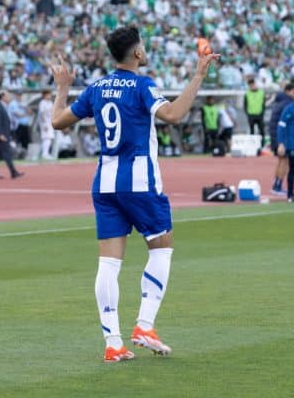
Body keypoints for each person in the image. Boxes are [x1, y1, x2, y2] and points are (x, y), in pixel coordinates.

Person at [48, 25, 219, 363]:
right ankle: (144, 325)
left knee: (109, 263)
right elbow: (172, 114)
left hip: (105, 183)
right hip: (139, 181)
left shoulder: (97, 87)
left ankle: (113, 343)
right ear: (138, 53)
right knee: (161, 248)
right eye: (142, 46)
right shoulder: (142, 86)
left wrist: (63, 88)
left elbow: (57, 121)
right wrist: (198, 76)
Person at [0, 91, 24, 179]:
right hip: (2, 135)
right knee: (6, 153)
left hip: (5, 133)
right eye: (8, 96)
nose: (9, 98)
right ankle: (13, 172)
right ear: (3, 97)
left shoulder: (4, 107)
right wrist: (0, 134)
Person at [268, 83, 294, 195]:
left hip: (275, 135)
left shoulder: (278, 102)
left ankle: (276, 184)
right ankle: (277, 186)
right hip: (281, 136)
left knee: (281, 160)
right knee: (285, 161)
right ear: (290, 91)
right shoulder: (288, 104)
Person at [244, 78, 266, 145]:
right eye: (250, 85)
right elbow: (245, 105)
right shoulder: (247, 93)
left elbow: (263, 104)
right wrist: (247, 114)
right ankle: (252, 145)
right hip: (251, 115)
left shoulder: (261, 92)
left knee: (262, 130)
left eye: (253, 84)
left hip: (259, 115)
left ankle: (262, 144)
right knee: (252, 131)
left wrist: (262, 113)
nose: (252, 86)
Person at [38, 90, 55, 159]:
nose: (50, 96)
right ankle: (45, 154)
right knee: (46, 138)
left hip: (50, 122)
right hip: (44, 123)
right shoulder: (42, 103)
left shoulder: (50, 103)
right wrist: (44, 123)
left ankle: (45, 153)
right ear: (45, 95)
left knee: (49, 138)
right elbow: (42, 114)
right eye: (48, 95)